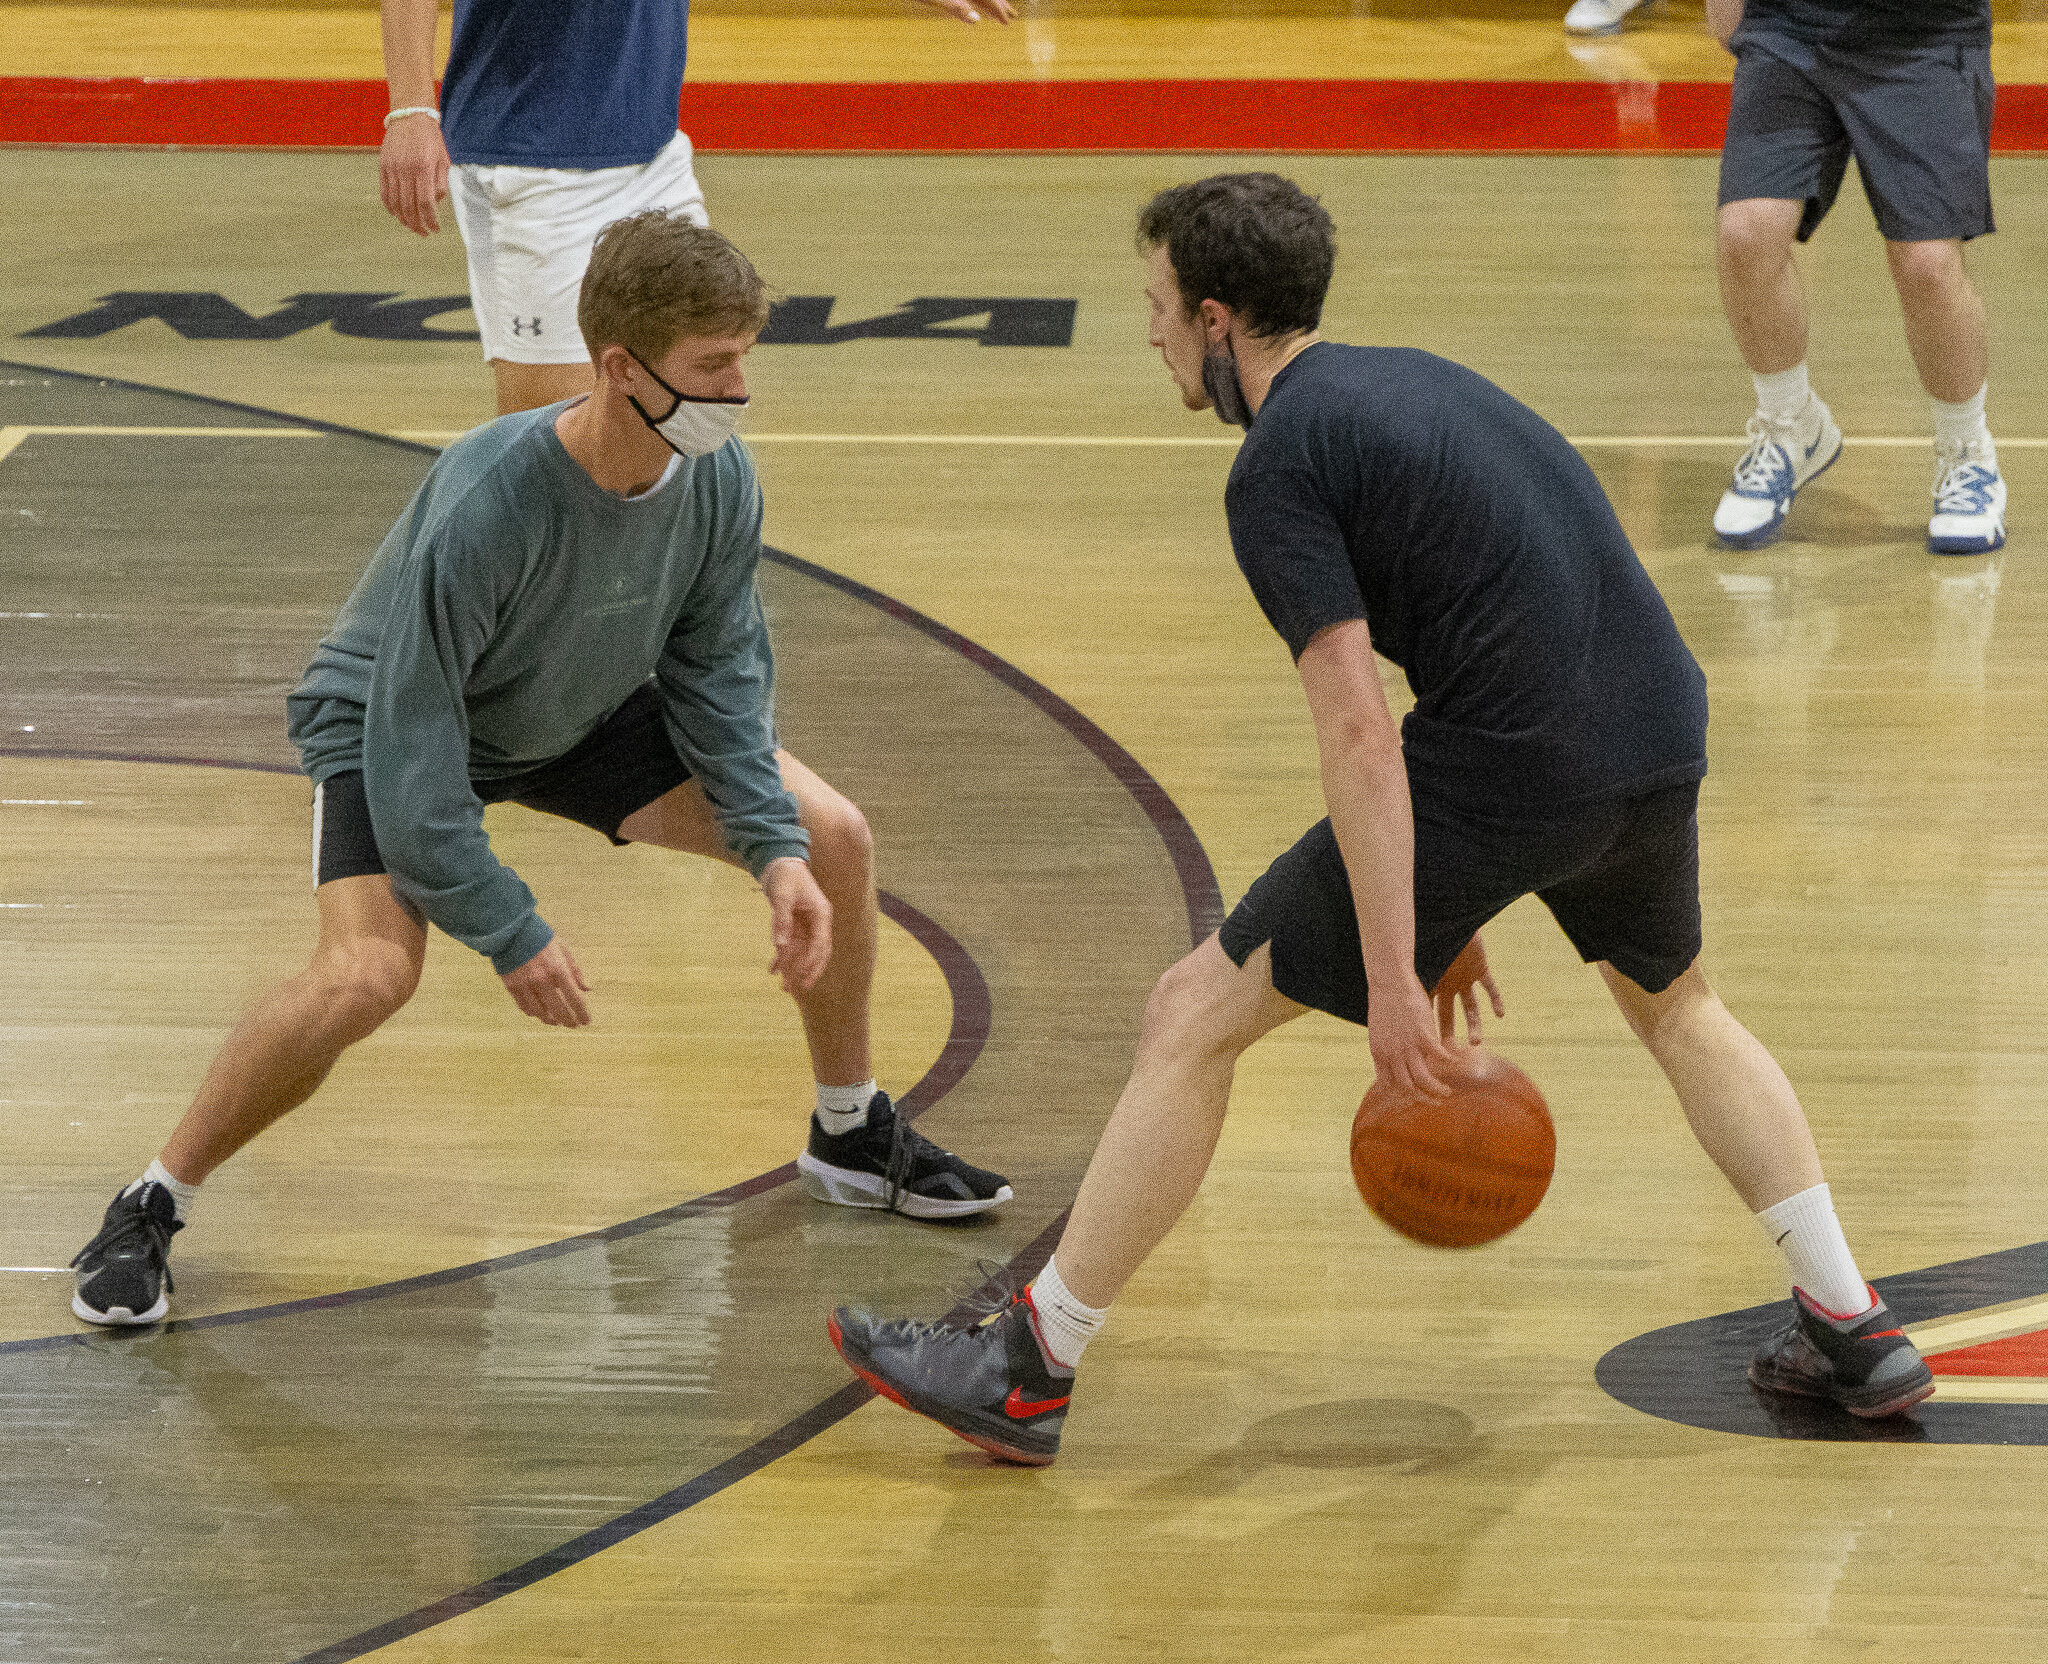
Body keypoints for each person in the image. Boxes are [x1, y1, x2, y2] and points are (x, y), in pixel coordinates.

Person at [829, 173, 1933, 1466]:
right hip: (1654, 729)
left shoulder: (1281, 463)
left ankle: (1029, 1363)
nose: (1151, 335)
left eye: (1159, 309)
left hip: (1514, 759)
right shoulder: (1411, 382)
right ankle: (1853, 1321)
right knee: (1679, 1006)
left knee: (1189, 1016)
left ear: (1220, 319)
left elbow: (1357, 725)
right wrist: (1440, 897)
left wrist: (1399, 968)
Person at [69, 213, 1011, 1329]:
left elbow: (718, 675)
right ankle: (151, 1199)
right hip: (396, 718)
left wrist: (770, 846)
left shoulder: (714, 479)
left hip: (579, 703)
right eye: (715, 365)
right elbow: (415, 742)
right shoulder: (488, 498)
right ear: (621, 367)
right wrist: (509, 928)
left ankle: (849, 1132)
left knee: (832, 835)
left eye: (743, 356)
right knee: (367, 973)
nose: (740, 387)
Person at [377, 0, 1013, 417]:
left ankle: (670, 616)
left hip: (653, 151)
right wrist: (411, 108)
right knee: (557, 451)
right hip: (531, 168)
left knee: (698, 403)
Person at [1707, 0, 2004, 553]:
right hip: (1788, 23)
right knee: (1747, 232)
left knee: (1926, 264)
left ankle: (1967, 453)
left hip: (1923, 37)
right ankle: (1790, 423)